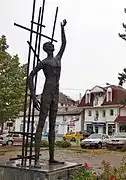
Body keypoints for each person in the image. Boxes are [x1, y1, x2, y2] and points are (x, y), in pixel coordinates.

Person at [28, 19, 67, 167]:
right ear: (47, 48)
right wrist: (33, 96)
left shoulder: (58, 58)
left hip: (56, 94)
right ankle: (37, 159)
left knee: (52, 126)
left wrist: (62, 28)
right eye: (50, 45)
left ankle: (51, 157)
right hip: (46, 93)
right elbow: (30, 76)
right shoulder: (44, 62)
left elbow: (64, 44)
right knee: (41, 125)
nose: (53, 44)